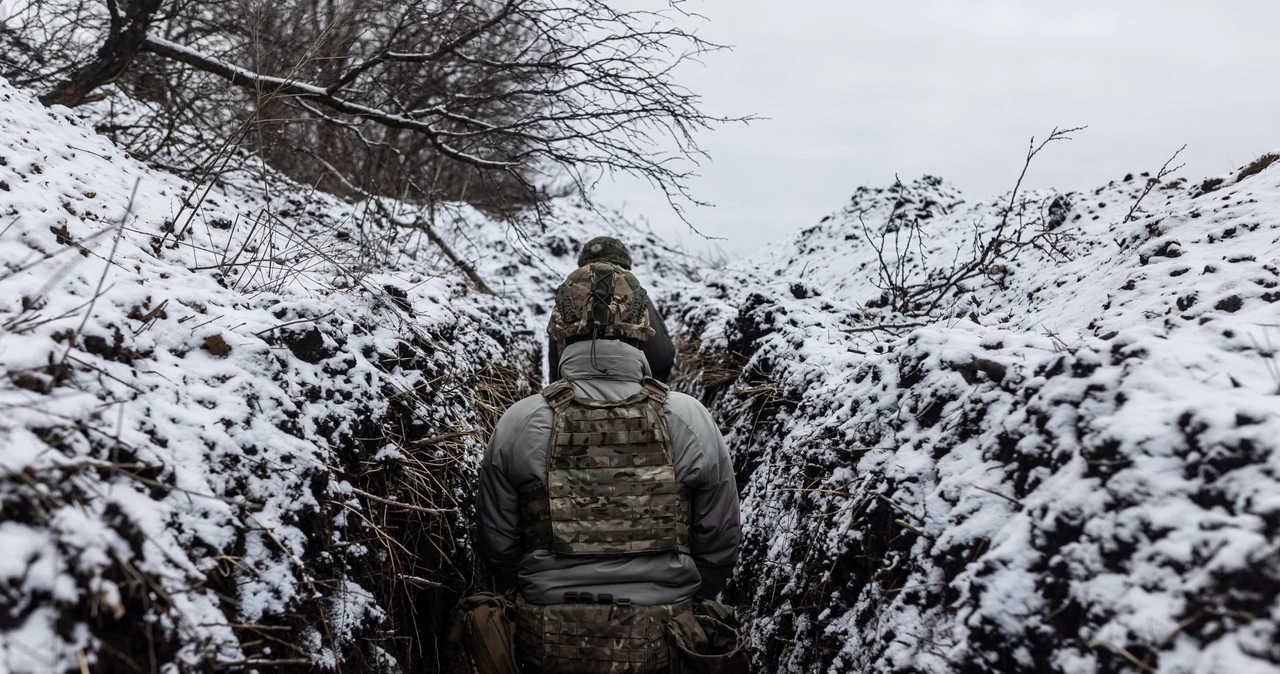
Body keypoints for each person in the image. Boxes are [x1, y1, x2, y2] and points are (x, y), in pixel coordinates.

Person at [476, 261, 741, 673]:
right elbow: (719, 541)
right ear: (641, 327)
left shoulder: (520, 422)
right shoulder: (689, 419)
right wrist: (680, 598)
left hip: (546, 642)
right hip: (666, 639)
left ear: (561, 328)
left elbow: (499, 546)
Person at [547, 236, 675, 382]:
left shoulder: (569, 300)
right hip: (632, 393)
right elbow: (662, 357)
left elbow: (554, 361)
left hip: (572, 394)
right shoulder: (637, 298)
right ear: (625, 267)